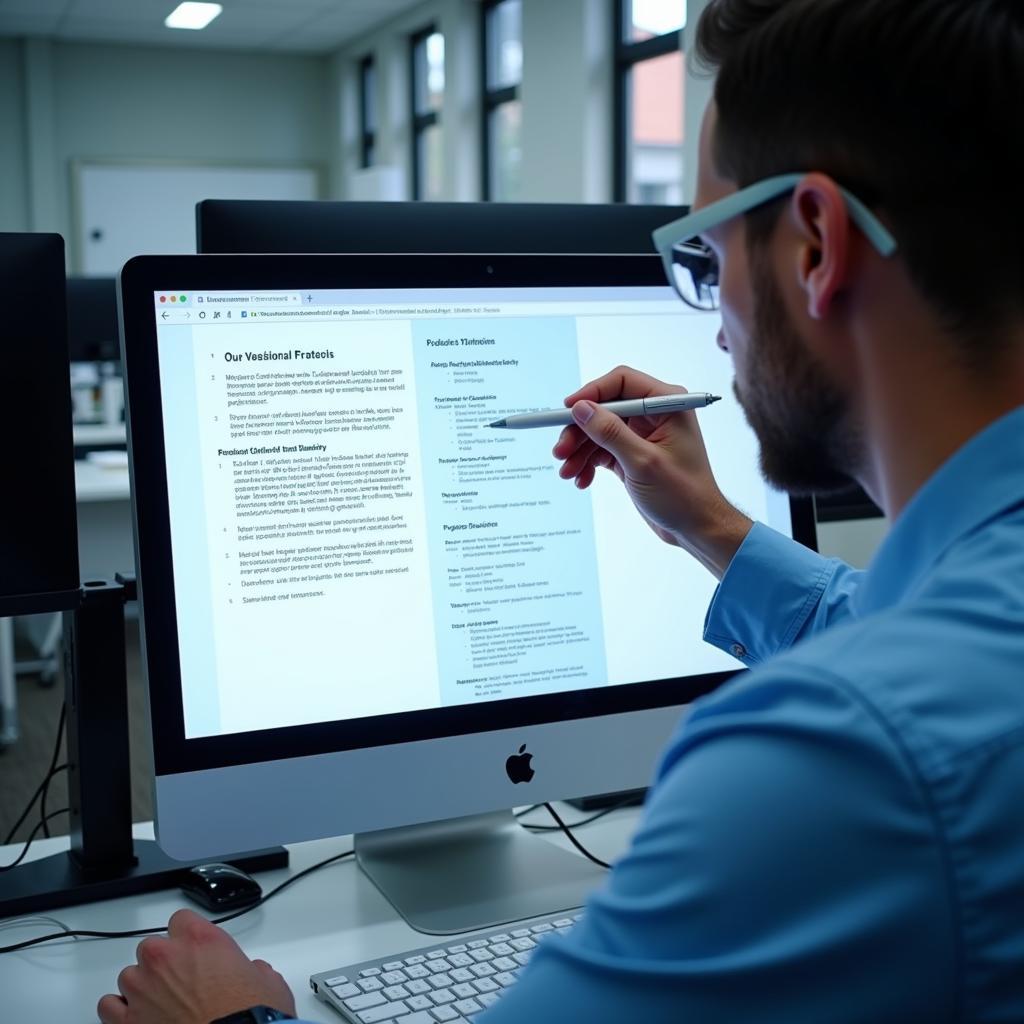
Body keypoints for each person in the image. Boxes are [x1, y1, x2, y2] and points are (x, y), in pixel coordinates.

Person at [98, 0, 1024, 1020]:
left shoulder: (830, 758)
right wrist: (709, 525)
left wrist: (234, 1019)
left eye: (705, 265)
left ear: (813, 245)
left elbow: (887, 708)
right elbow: (901, 643)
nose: (713, 330)